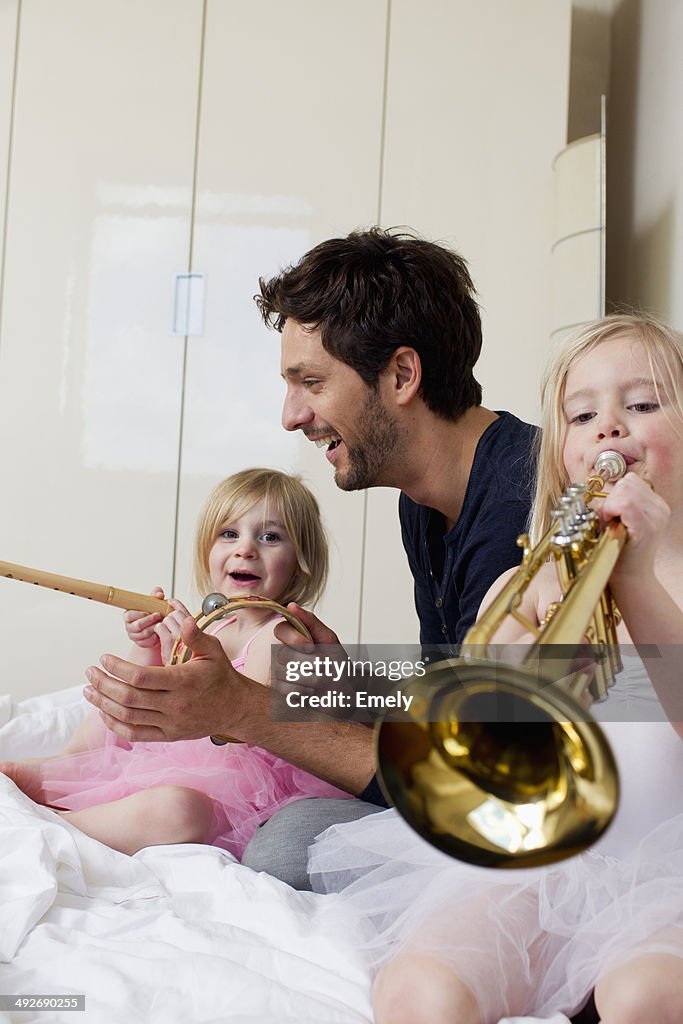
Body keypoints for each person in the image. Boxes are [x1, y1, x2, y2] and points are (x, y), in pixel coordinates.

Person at [81, 228, 537, 886]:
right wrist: (340, 687)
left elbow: (478, 780)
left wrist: (242, 709)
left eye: (311, 382)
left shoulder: (523, 505)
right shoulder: (425, 499)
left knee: (286, 848)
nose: (291, 416)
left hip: (534, 800)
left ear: (401, 375)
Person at [308, 312, 683, 1024]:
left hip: (670, 875)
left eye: (641, 404)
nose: (608, 427)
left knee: (643, 998)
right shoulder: (530, 584)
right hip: (552, 865)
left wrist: (633, 578)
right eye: (581, 414)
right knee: (421, 989)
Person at [0, 468, 352, 857]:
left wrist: (181, 663)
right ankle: (62, 765)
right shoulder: (213, 624)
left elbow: (232, 725)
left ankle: (51, 828)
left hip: (234, 792)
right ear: (207, 549)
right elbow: (145, 697)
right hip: (167, 759)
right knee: (116, 704)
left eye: (270, 537)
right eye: (229, 534)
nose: (246, 549)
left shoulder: (284, 633)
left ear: (301, 561)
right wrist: (150, 645)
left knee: (178, 810)